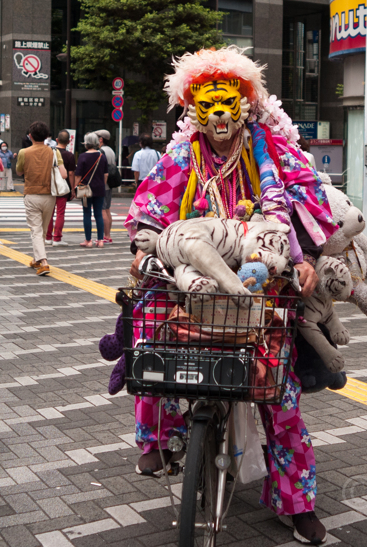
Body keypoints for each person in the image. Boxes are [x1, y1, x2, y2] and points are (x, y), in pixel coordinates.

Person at [124, 47, 335, 543]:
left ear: (245, 103)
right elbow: (153, 204)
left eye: (228, 101)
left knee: (280, 396)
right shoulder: (183, 153)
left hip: (265, 271)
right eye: (207, 102)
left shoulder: (273, 148)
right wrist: (141, 249)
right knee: (151, 338)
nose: (218, 114)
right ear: (192, 106)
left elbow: (305, 199)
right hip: (192, 267)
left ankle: (295, 500)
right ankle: (157, 435)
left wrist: (308, 262)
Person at [15, 120, 60, 275]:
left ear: (30, 136)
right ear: (47, 136)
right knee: (42, 230)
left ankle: (44, 262)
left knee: (35, 229)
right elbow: (64, 173)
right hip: (50, 195)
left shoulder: (24, 152)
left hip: (32, 194)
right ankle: (37, 259)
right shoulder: (54, 152)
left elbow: (19, 172)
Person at [74, 133, 107, 248]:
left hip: (85, 190)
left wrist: (75, 187)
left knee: (87, 214)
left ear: (86, 143)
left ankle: (88, 241)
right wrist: (102, 184)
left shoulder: (83, 156)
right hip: (100, 188)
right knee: (98, 214)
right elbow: (105, 174)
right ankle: (100, 240)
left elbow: (78, 175)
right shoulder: (102, 156)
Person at [46, 130, 76, 247]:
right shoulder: (70, 155)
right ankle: (57, 238)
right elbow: (71, 173)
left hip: (50, 186)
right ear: (69, 141)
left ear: (57, 140)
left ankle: (48, 237)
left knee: (49, 213)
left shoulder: (49, 153)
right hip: (63, 188)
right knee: (60, 213)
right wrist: (72, 189)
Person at [94, 130, 117, 244]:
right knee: (107, 209)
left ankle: (106, 236)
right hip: (110, 184)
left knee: (102, 210)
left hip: (104, 183)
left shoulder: (101, 151)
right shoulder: (111, 151)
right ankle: (108, 234)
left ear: (101, 139)